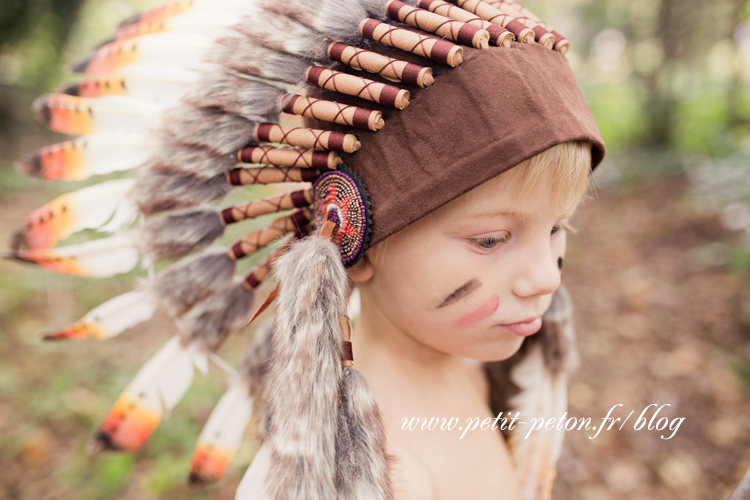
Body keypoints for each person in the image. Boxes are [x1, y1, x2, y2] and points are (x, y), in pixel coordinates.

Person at [9, 0, 605, 499]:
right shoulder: (361, 474)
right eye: (490, 239)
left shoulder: (490, 363)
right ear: (350, 235)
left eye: (558, 229)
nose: (544, 280)